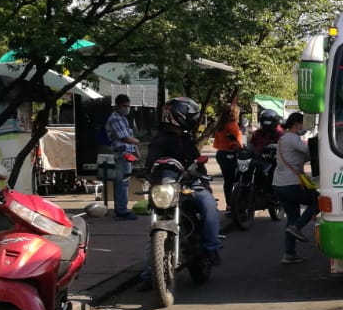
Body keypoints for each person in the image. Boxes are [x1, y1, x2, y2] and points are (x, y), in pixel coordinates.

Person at [135, 98, 221, 289]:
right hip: (165, 187)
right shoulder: (159, 139)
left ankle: (211, 248)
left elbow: (197, 161)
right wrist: (141, 170)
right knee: (153, 229)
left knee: (209, 205)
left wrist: (200, 173)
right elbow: (150, 163)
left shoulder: (187, 138)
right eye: (190, 117)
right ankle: (150, 273)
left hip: (188, 185)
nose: (192, 120)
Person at [272, 111, 319, 265]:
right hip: (290, 184)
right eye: (302, 124)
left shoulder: (284, 139)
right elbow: (308, 151)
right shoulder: (292, 138)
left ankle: (289, 254)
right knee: (318, 201)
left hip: (279, 184)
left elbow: (302, 156)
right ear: (297, 124)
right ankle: (298, 227)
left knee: (291, 219)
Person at [104, 93, 139, 219]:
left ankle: (122, 209)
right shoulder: (115, 119)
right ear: (118, 105)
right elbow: (125, 137)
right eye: (125, 106)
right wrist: (137, 141)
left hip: (127, 153)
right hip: (121, 152)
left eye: (128, 106)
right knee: (122, 182)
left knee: (124, 182)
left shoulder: (123, 118)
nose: (127, 108)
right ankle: (121, 211)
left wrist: (136, 151)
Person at [213, 108, 244, 214]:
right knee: (238, 178)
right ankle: (236, 203)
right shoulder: (232, 124)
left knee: (228, 181)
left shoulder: (220, 125)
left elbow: (216, 144)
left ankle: (229, 204)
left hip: (221, 153)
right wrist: (239, 148)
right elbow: (234, 143)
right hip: (231, 153)